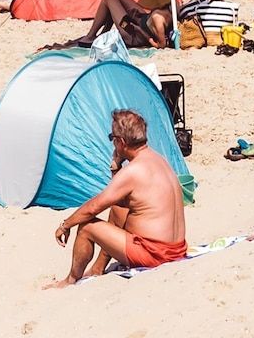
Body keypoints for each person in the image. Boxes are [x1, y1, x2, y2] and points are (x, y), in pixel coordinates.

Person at [48, 109, 187, 285]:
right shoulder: (159, 160)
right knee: (118, 208)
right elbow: (120, 198)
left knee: (86, 227)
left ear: (121, 142)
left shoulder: (134, 171)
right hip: (177, 249)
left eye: (112, 138)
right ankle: (98, 268)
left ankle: (70, 280)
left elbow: (93, 207)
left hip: (155, 254)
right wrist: (116, 168)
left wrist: (65, 224)